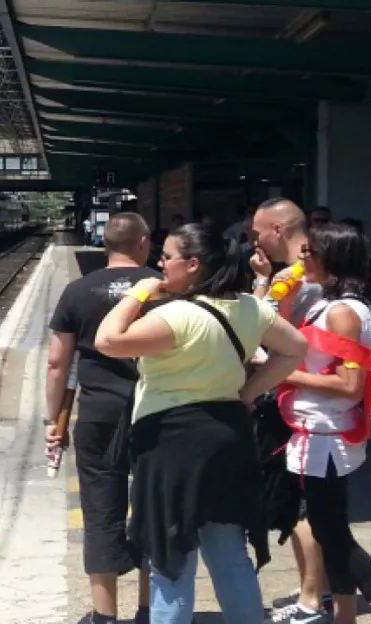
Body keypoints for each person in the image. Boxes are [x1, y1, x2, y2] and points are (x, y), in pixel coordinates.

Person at [94, 222, 308, 624]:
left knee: (171, 558)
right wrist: (247, 393)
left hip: (172, 444)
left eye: (167, 257)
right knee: (228, 552)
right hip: (228, 436)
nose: (160, 263)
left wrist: (137, 293)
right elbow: (295, 349)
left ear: (192, 265)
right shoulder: (249, 306)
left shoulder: (177, 316)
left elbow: (108, 340)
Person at [273, 223, 371, 624]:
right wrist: (284, 303)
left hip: (327, 436)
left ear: (333, 257)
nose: (302, 257)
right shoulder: (328, 305)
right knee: (329, 531)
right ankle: (344, 615)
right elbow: (292, 346)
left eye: (311, 251)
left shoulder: (345, 312)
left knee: (334, 536)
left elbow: (350, 385)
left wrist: (284, 375)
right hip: (316, 432)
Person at [45, 212, 158, 624]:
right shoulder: (163, 289)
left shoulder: (77, 291)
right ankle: (151, 610)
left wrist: (50, 419)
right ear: (144, 242)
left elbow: (58, 363)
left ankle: (104, 615)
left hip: (98, 412)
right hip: (156, 408)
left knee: (100, 510)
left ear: (105, 245)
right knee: (154, 508)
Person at [250, 198, 333, 618]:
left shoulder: (297, 279)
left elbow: (259, 330)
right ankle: (327, 589)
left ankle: (310, 599)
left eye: (259, 230)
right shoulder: (320, 267)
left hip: (294, 402)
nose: (254, 238)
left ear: (278, 230)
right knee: (318, 499)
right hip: (314, 404)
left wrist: (262, 285)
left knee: (301, 502)